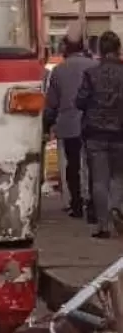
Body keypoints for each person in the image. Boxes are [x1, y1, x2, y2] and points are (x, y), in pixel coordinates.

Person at [43, 27, 97, 221]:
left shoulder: (58, 70)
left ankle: (76, 204)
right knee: (91, 166)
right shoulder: (93, 66)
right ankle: (92, 204)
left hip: (68, 125)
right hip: (91, 125)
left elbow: (51, 103)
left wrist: (47, 123)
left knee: (72, 166)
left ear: (67, 47)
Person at [75, 30, 123, 238]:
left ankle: (103, 226)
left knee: (99, 180)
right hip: (121, 132)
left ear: (100, 51)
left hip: (94, 133)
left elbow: (80, 101)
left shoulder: (91, 74)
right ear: (118, 49)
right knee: (119, 176)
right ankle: (116, 207)